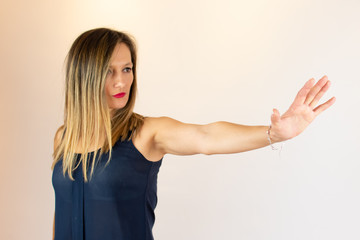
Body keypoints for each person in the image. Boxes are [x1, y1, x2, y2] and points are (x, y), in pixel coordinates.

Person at [51, 27, 336, 240]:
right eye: (109, 71)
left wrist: (273, 133)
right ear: (84, 75)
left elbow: (207, 137)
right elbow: (62, 212)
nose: (121, 81)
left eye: (127, 69)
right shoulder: (63, 137)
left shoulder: (146, 133)